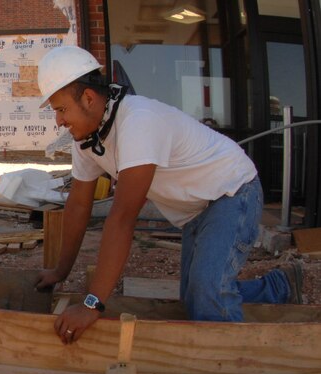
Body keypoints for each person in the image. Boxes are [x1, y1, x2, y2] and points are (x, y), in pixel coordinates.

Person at [34, 46, 302, 344]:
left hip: (232, 191)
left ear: (87, 98)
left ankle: (229, 373)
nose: (58, 121)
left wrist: (91, 304)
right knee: (195, 296)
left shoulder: (138, 121)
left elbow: (122, 218)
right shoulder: (88, 139)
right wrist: (60, 271)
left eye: (61, 109)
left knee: (206, 292)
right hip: (198, 207)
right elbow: (78, 205)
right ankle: (279, 287)